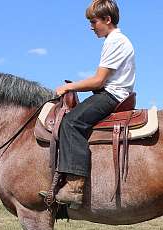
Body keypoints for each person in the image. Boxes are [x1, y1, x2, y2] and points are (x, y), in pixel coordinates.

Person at [52, 0, 135, 208]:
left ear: (107, 19)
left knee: (71, 123)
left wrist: (69, 88)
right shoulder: (115, 40)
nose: (91, 26)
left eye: (94, 21)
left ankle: (74, 187)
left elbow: (99, 80)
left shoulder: (115, 41)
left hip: (111, 95)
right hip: (112, 92)